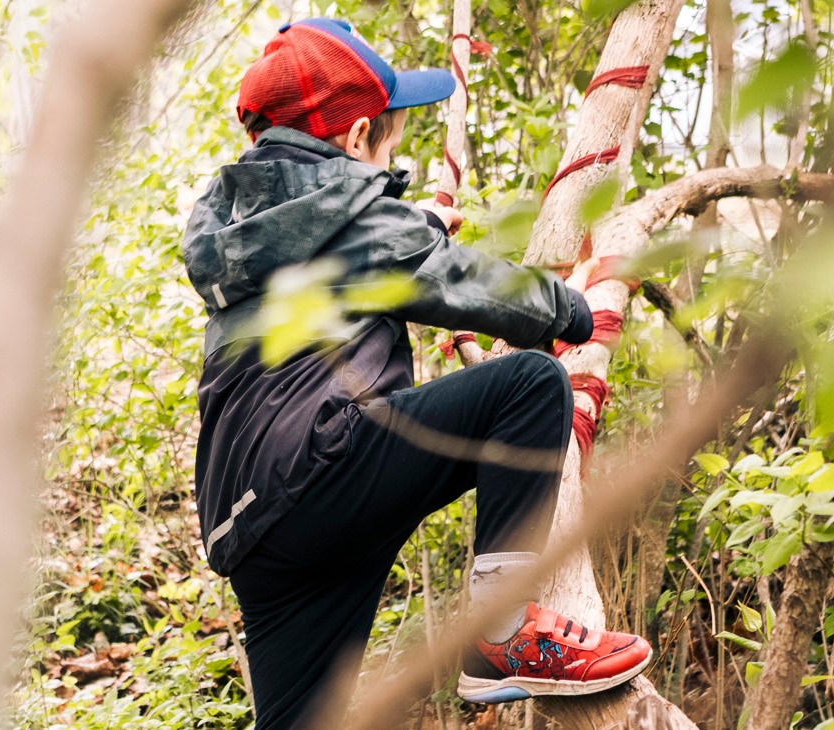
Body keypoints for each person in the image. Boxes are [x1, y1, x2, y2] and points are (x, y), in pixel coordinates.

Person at [181, 17, 653, 729]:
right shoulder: (357, 225)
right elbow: (469, 284)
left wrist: (413, 229)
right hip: (320, 468)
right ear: (357, 137)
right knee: (527, 386)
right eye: (389, 143)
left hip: (246, 525)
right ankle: (501, 637)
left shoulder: (243, 233)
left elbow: (347, 264)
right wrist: (578, 309)